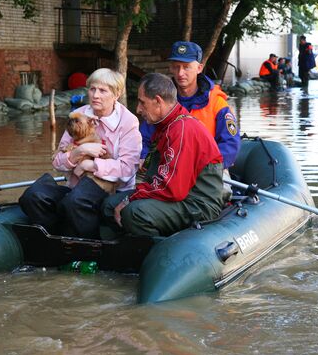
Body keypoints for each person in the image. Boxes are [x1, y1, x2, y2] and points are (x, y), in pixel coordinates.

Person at [19, 68, 142, 239]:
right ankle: (56, 238)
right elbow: (57, 161)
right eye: (92, 89)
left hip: (112, 190)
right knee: (32, 196)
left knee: (75, 201)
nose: (95, 95)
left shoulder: (128, 122)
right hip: (76, 186)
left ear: (117, 94)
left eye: (102, 90)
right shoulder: (79, 115)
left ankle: (91, 247)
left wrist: (90, 164)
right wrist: (79, 151)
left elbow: (127, 169)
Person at [102, 73, 225, 237]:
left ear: (158, 101)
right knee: (109, 205)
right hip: (179, 197)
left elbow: (173, 190)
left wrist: (129, 200)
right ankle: (116, 251)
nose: (138, 109)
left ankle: (155, 254)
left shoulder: (181, 130)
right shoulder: (166, 126)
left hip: (198, 203)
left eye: (142, 102)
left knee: (134, 212)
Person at [140, 41, 240, 171]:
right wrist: (143, 157)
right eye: (176, 67)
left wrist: (204, 168)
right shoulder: (161, 101)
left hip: (206, 171)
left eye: (186, 67)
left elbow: (230, 144)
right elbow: (144, 138)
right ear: (170, 68)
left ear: (199, 68)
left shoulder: (217, 103)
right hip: (167, 169)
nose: (180, 73)